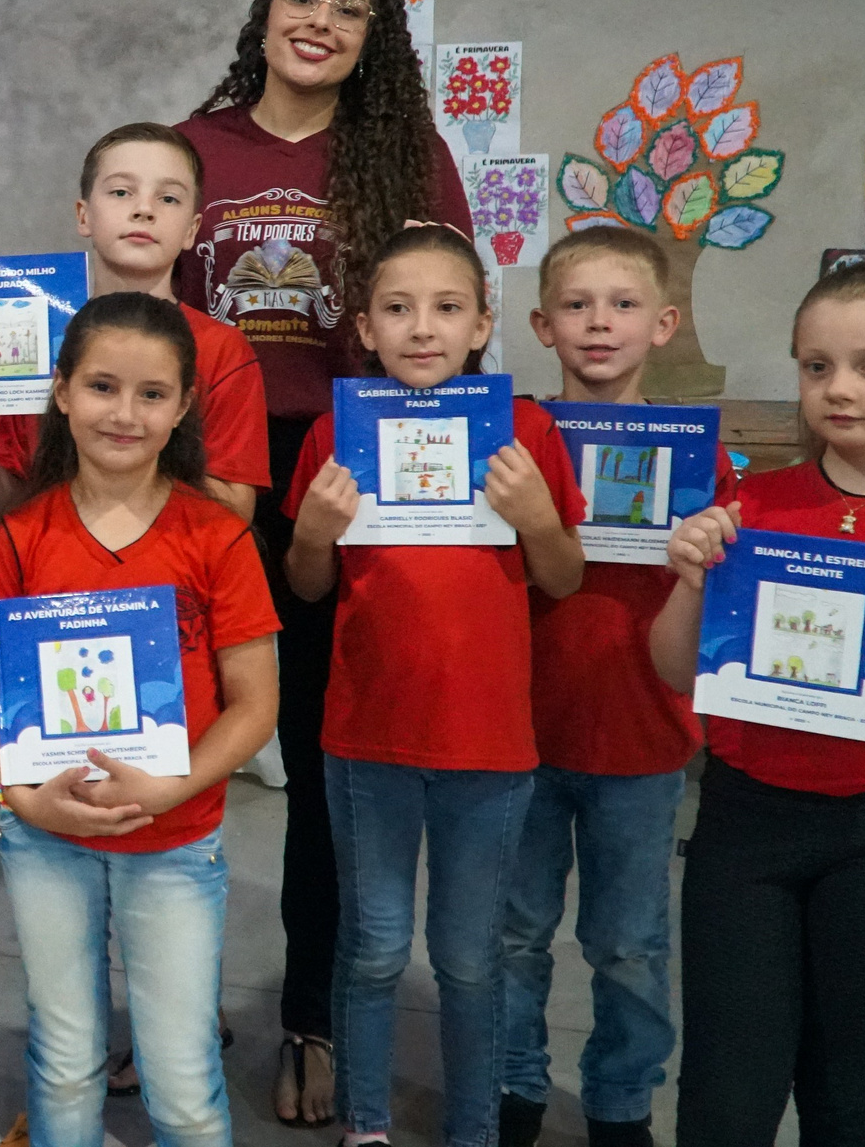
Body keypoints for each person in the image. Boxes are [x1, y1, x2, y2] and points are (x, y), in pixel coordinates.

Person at [174, 0, 469, 1127]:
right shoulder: (195, 147)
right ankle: (171, 998)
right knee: (183, 742)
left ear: (370, 41)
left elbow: (453, 314)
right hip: (208, 475)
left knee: (319, 765)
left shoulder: (403, 154)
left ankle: (310, 1010)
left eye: (348, 11)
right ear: (266, 11)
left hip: (349, 473)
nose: (320, 21)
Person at [0, 293, 281, 1147]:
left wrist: (176, 784)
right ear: (61, 392)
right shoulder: (24, 533)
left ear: (182, 407)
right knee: (64, 1063)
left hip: (174, 840)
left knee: (183, 1087)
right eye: (102, 386)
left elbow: (255, 701)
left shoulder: (216, 537)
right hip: (46, 839)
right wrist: (20, 796)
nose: (124, 413)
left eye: (150, 393)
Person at [282, 225, 584, 1147]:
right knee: (371, 948)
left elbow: (565, 577)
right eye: (398, 309)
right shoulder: (339, 429)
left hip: (488, 745)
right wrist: (315, 530)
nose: (423, 328)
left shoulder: (526, 430)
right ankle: (367, 1124)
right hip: (367, 737)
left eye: (448, 308)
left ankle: (473, 1127)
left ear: (483, 322)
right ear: (364, 327)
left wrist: (535, 515)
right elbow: (308, 586)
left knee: (467, 957)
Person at [650, 260, 865, 1147]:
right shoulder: (754, 504)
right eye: (815, 365)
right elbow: (678, 672)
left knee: (852, 1086)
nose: (838, 388)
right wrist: (687, 583)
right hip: (748, 818)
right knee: (725, 1091)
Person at [498, 228, 728, 1147]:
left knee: (629, 945)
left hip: (641, 737)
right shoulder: (511, 442)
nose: (600, 323)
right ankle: (514, 1085)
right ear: (541, 324)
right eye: (578, 305)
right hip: (516, 734)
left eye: (624, 304)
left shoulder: (702, 464)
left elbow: (717, 606)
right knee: (513, 933)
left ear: (664, 323)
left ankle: (621, 1102)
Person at [0, 123, 267, 526]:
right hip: (55, 574)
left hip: (176, 577)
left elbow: (235, 514)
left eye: (169, 197)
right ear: (84, 215)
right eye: (121, 192)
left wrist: (129, 454)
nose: (144, 209)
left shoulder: (224, 350)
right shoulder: (38, 334)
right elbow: (14, 506)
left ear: (192, 230)